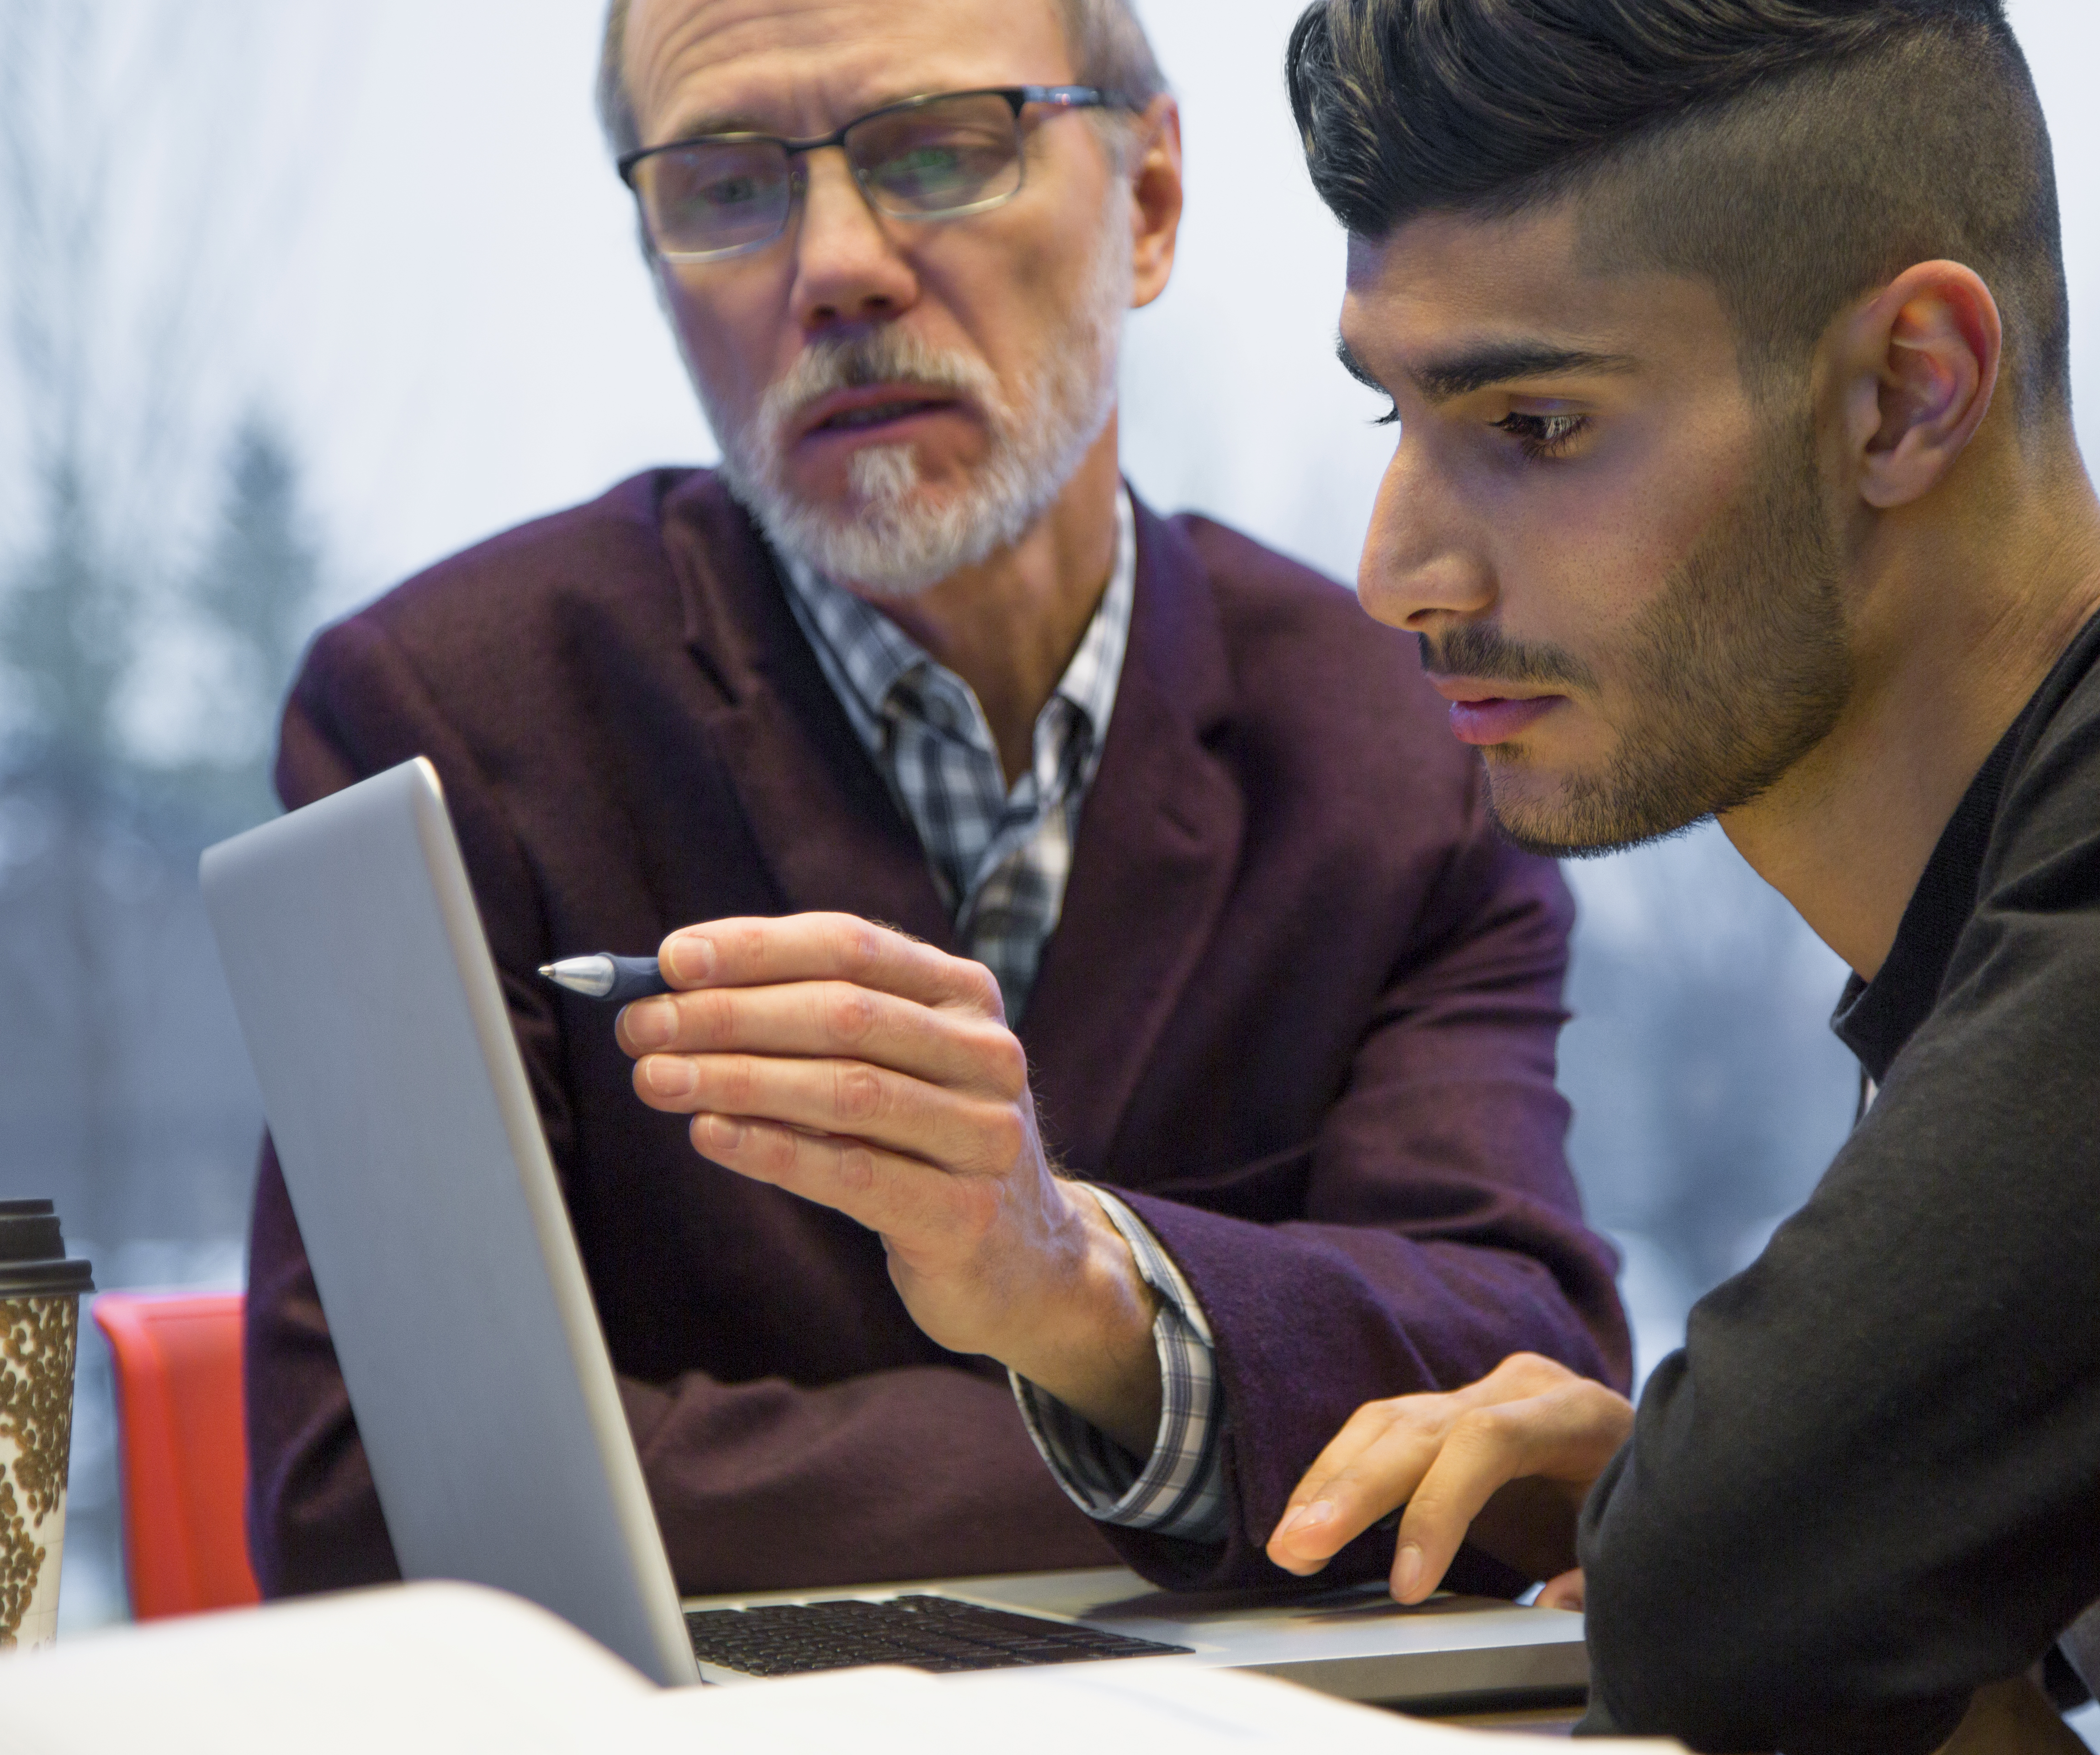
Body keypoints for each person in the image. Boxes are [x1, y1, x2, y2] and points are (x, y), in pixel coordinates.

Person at [1259, 1, 2100, 1751]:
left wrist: (1739, 1531)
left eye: (1535, 424)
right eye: (1391, 420)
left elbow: (1739, 1602)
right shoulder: (2020, 933)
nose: (1393, 565)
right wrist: (1696, 1507)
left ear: (1908, 392)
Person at [243, 0, 1628, 1602]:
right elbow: (379, 1496)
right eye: (723, 185)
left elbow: (1523, 1414)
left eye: (940, 151)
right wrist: (1216, 1402)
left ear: (1152, 204)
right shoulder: (447, 720)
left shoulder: (1405, 740)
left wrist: (1087, 1295)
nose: (832, 265)